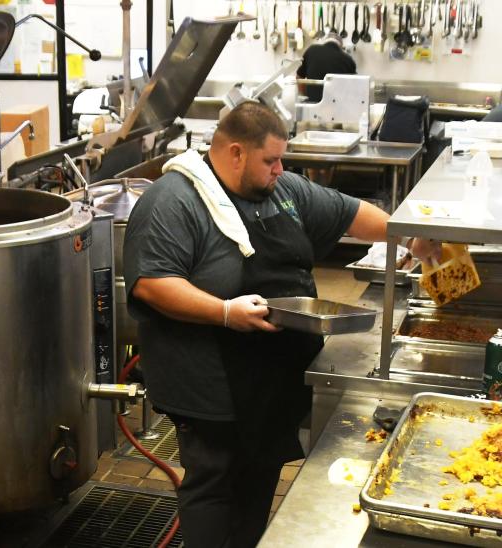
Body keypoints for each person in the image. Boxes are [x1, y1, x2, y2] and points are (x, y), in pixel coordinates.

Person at [122, 101, 392, 547]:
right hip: (209, 381)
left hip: (269, 380)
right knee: (215, 481)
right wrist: (224, 312)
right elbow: (153, 283)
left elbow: (349, 212)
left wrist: (407, 234)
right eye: (270, 160)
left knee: (260, 474)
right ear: (234, 153)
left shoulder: (282, 189)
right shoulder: (174, 200)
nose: (279, 169)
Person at [296, 31, 356, 103]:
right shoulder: (348, 59)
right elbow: (353, 87)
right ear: (340, 46)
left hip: (312, 104)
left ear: (325, 41)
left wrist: (305, 95)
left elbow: (299, 77)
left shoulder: (312, 50)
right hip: (336, 106)